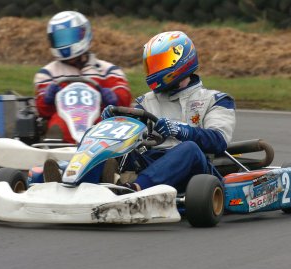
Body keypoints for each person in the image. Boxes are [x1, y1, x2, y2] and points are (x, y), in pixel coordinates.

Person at [101, 31, 236, 192]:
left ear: (182, 59)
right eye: (152, 64)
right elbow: (132, 134)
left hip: (195, 172)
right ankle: (81, 185)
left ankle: (135, 190)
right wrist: (113, 123)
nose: (154, 70)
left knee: (189, 148)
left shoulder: (215, 100)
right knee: (105, 141)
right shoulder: (145, 103)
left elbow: (218, 141)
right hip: (152, 164)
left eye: (160, 63)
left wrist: (183, 131)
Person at [34, 11, 132, 143]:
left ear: (84, 33)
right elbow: (43, 112)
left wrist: (114, 99)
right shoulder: (47, 73)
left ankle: (106, 158)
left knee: (110, 125)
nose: (64, 43)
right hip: (64, 122)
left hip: (100, 122)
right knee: (57, 124)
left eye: (68, 36)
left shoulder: (107, 70)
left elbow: (125, 102)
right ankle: (56, 151)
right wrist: (47, 99)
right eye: (60, 38)